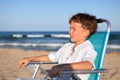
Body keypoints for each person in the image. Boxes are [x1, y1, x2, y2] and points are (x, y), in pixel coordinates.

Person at [19, 13, 98, 80]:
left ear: (86, 32)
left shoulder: (87, 48)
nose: (70, 32)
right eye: (70, 28)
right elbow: (51, 57)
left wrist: (64, 66)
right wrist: (30, 59)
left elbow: (88, 65)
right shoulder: (67, 46)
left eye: (73, 29)